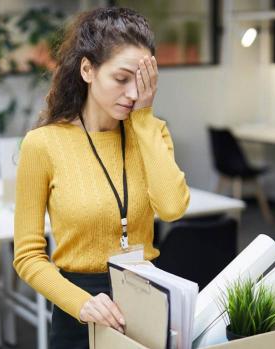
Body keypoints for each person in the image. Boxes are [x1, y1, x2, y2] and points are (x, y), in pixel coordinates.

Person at [13, 7, 190, 348]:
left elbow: (172, 208)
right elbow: (27, 257)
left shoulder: (151, 133)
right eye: (121, 79)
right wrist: (82, 303)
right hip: (79, 307)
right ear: (87, 70)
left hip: (147, 302)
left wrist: (144, 118)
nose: (132, 94)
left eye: (141, 83)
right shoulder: (43, 144)